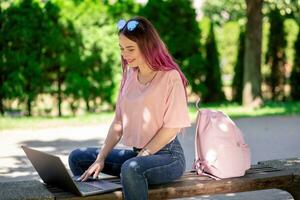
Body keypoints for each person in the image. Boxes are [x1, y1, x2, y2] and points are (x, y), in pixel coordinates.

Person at [68, 16, 191, 200]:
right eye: (122, 48)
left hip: (168, 157)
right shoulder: (129, 76)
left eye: (131, 49)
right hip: (137, 154)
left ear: (147, 46)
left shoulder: (170, 77)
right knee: (78, 158)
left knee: (131, 168)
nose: (125, 54)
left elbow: (172, 127)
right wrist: (101, 158)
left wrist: (144, 155)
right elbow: (118, 123)